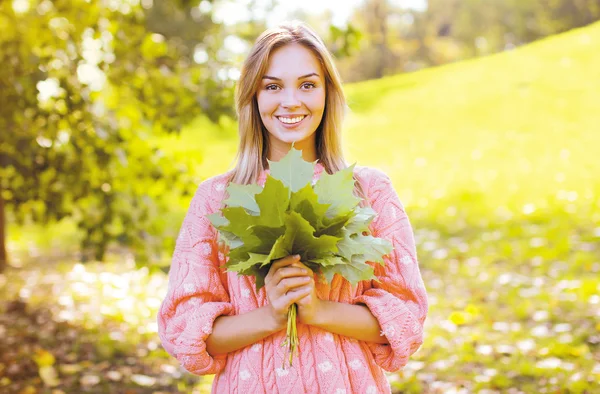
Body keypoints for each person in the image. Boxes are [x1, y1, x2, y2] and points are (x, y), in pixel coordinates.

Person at [157, 21, 428, 393]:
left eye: (307, 85)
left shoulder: (368, 191)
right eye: (272, 86)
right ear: (253, 97)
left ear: (327, 94)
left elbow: (406, 318)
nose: (291, 101)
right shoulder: (217, 198)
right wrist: (271, 314)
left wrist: (318, 310)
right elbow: (186, 332)